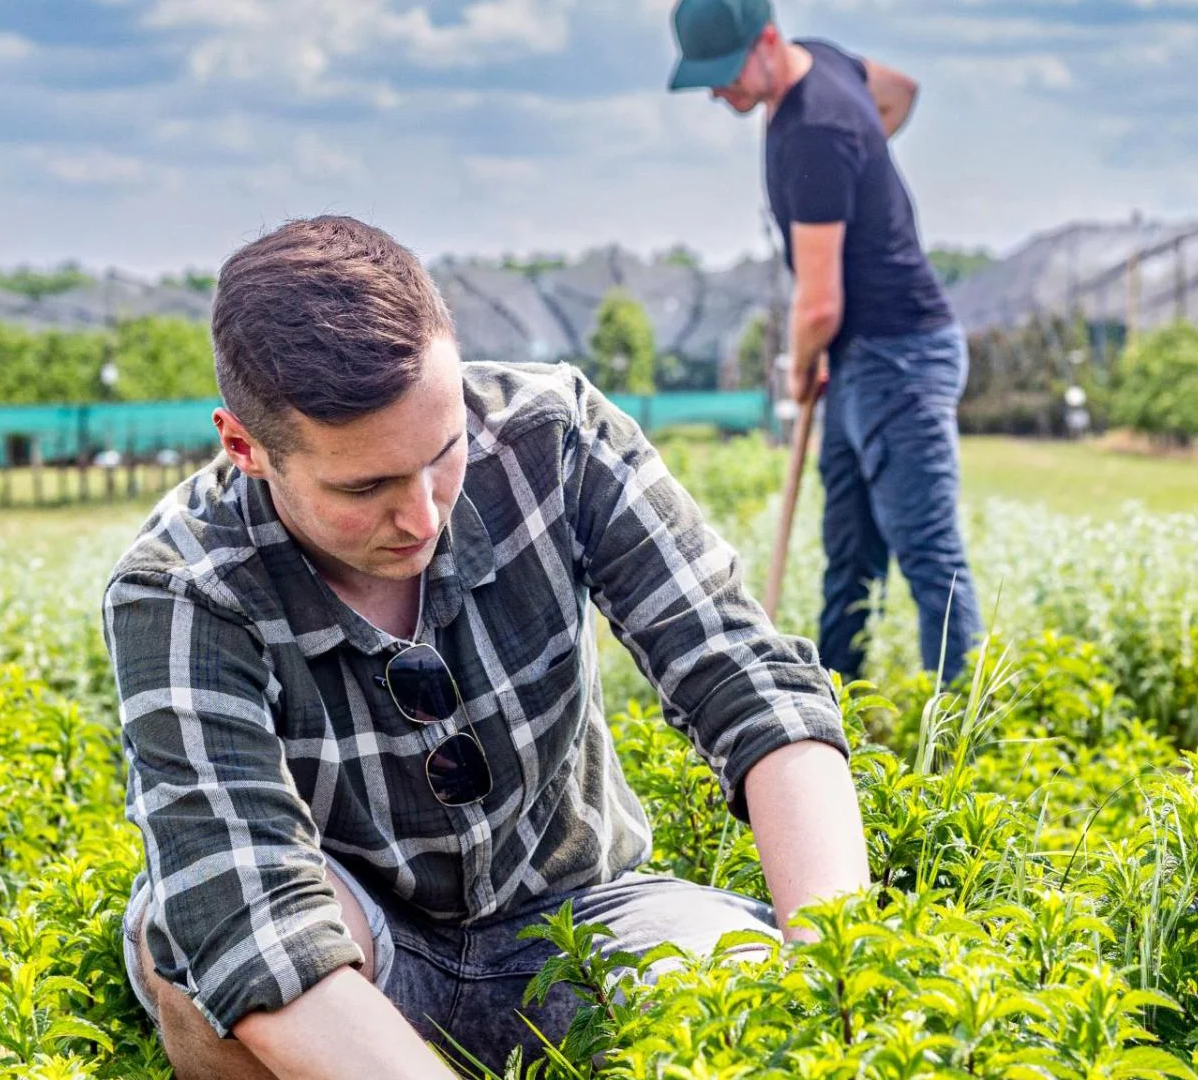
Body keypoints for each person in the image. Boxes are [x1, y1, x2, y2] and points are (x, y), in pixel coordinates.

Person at [103, 215, 871, 1079]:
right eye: (365, 487)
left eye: (443, 451)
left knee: (747, 1000)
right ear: (244, 445)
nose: (424, 516)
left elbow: (748, 685)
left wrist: (833, 975)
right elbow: (249, 918)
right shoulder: (185, 583)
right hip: (355, 963)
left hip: (586, 912)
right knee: (189, 955)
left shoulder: (554, 437)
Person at [668, 0, 983, 683]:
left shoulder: (815, 132)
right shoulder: (828, 63)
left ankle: (966, 746)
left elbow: (819, 306)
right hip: (860, 360)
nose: (719, 93)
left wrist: (796, 369)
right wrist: (863, 168)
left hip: (899, 355)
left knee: (931, 559)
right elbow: (902, 92)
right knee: (850, 555)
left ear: (769, 42)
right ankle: (834, 713)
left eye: (726, 74)